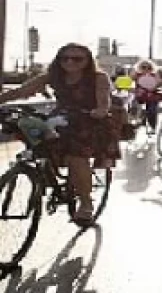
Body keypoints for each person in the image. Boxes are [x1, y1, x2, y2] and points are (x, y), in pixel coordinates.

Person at [0, 43, 119, 225]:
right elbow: (22, 91)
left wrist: (101, 110)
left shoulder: (98, 77)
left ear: (88, 61)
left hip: (90, 121)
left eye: (77, 59)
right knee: (32, 133)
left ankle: (86, 203)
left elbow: (104, 101)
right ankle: (48, 174)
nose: (70, 62)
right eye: (65, 58)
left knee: (76, 157)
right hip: (63, 117)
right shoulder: (53, 76)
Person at [132, 59, 162, 134]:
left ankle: (152, 127)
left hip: (151, 95)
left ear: (152, 68)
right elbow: (130, 81)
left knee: (152, 110)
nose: (146, 69)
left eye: (149, 68)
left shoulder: (154, 75)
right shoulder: (137, 75)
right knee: (134, 105)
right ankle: (137, 121)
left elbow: (159, 83)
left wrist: (154, 88)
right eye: (143, 67)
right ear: (140, 67)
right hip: (140, 95)